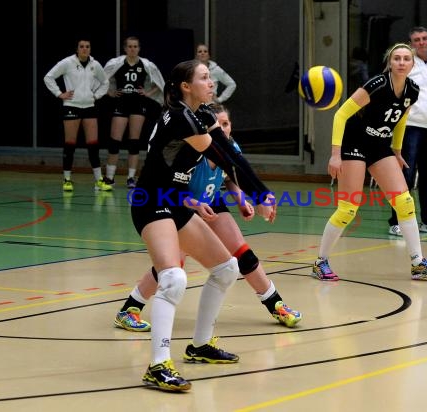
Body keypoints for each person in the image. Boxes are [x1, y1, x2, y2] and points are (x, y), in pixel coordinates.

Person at [131, 59, 276, 392]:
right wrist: (263, 194)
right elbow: (226, 158)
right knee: (173, 277)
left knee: (226, 268)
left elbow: (231, 156)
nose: (212, 83)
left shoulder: (205, 116)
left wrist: (257, 194)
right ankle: (158, 365)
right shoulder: (180, 117)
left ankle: (199, 345)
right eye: (205, 78)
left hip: (177, 202)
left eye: (211, 78)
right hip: (152, 201)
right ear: (186, 86)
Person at [114, 103, 301, 334]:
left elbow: (232, 177)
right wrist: (194, 205)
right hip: (181, 203)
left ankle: (276, 305)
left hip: (212, 202)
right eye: (217, 124)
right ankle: (130, 308)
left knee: (243, 253)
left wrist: (241, 200)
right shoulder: (195, 147)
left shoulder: (230, 146)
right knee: (172, 265)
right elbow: (171, 186)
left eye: (226, 123)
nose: (222, 128)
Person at [311, 43, 427, 282]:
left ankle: (418, 263)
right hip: (354, 142)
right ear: (390, 63)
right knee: (348, 208)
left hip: (380, 145)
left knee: (404, 202)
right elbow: (340, 114)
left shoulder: (412, 90)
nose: (402, 62)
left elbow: (401, 120)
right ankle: (320, 262)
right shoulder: (377, 84)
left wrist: (396, 150)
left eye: (406, 59)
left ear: (412, 64)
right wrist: (335, 153)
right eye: (397, 58)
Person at [388, 27, 427, 237]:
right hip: (410, 128)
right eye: (417, 40)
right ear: (410, 43)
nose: (421, 42)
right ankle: (396, 221)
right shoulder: (406, 65)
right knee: (404, 176)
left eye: (425, 38)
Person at [43, 38, 113, 192]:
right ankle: (67, 179)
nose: (85, 49)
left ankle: (98, 180)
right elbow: (48, 77)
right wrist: (60, 94)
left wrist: (96, 96)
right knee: (70, 144)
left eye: (87, 46)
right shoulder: (67, 63)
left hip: (89, 106)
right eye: (81, 46)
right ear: (77, 49)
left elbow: (105, 82)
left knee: (93, 144)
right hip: (71, 106)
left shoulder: (95, 65)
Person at [103, 36, 165, 189]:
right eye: (129, 46)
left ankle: (131, 178)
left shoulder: (146, 65)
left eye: (135, 46)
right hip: (121, 103)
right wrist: (109, 92)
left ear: (139, 48)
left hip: (138, 104)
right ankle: (109, 177)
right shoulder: (116, 63)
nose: (132, 49)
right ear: (125, 48)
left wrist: (148, 93)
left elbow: (160, 83)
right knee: (115, 141)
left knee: (134, 142)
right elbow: (101, 79)